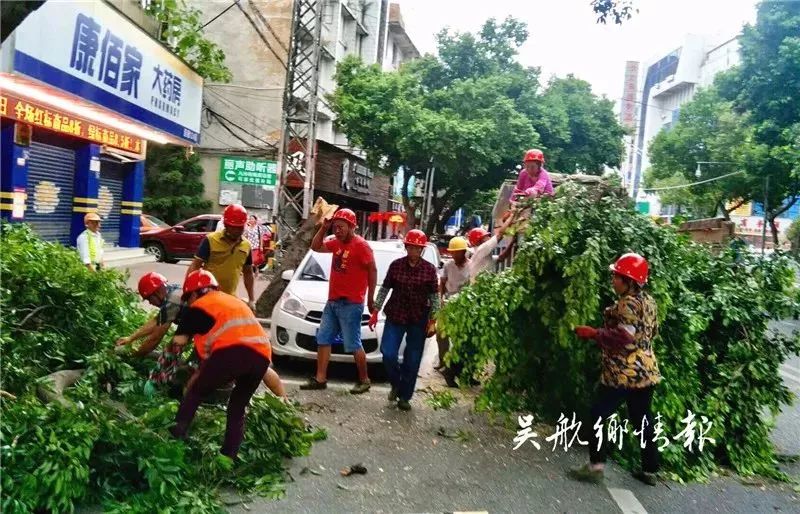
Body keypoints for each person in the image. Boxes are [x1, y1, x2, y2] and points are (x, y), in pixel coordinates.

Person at [570, 253, 661, 486]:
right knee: (642, 419)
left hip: (623, 373)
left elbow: (624, 337)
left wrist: (593, 333)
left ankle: (596, 466)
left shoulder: (628, 303)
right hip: (646, 371)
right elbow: (651, 333)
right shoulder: (649, 302)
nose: (613, 280)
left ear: (629, 281)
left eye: (617, 276)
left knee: (598, 414)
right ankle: (650, 469)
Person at [167, 270, 273, 461]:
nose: (188, 302)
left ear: (194, 293)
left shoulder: (199, 306)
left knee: (195, 393)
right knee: (237, 408)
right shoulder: (231, 301)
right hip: (262, 356)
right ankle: (228, 457)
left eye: (187, 298)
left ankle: (175, 437)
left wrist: (169, 361)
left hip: (232, 353)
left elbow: (179, 342)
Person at [300, 208, 377, 394]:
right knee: (324, 339)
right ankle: (320, 379)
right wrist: (323, 228)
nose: (337, 230)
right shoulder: (335, 243)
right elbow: (315, 247)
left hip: (351, 304)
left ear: (352, 227)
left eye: (341, 227)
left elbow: (372, 270)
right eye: (335, 227)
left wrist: (370, 298)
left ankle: (364, 380)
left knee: (353, 343)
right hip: (333, 302)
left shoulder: (362, 246)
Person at [369, 230, 439, 411]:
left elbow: (435, 297)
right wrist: (375, 311)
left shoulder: (429, 270)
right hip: (396, 314)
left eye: (418, 248)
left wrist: (433, 320)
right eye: (411, 247)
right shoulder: (396, 266)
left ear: (422, 250)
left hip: (418, 316)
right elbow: (384, 289)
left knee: (412, 359)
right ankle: (396, 383)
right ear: (406, 247)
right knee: (388, 352)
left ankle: (405, 397)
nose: (414, 251)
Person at [187, 204, 256, 312]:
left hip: (229, 298)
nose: (237, 231)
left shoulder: (246, 246)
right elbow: (195, 266)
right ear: (226, 225)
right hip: (207, 297)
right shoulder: (210, 240)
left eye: (240, 227)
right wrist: (188, 293)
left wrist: (251, 299)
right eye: (233, 227)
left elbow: (248, 273)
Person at [116, 272, 184, 358]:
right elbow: (156, 321)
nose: (150, 303)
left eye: (149, 298)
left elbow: (155, 339)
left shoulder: (172, 302)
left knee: (169, 357)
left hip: (204, 333)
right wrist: (130, 338)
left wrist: (133, 356)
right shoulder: (172, 291)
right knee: (171, 354)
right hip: (197, 329)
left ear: (157, 292)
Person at [437, 236, 471, 383]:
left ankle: (456, 367)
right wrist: (440, 299)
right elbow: (442, 283)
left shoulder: (471, 266)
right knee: (441, 335)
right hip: (447, 303)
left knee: (459, 338)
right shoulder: (448, 265)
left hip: (463, 305)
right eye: (452, 252)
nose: (454, 255)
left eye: (457, 252)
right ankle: (443, 363)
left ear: (464, 252)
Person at [466, 217, 514, 282]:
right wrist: (512, 215)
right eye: (486, 237)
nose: (489, 238)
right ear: (479, 240)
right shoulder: (481, 249)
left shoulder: (483, 255)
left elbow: (501, 258)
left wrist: (512, 243)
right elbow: (500, 234)